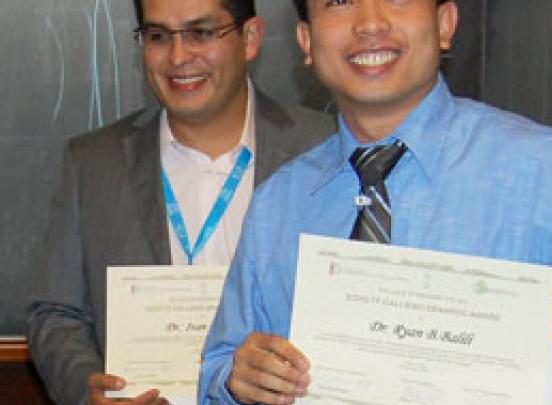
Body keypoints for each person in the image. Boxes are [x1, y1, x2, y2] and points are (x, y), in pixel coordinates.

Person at [199, 0, 552, 404]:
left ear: (445, 25)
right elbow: (220, 365)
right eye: (339, 2)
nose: (370, 23)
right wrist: (235, 378)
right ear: (307, 42)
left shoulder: (548, 174)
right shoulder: (278, 205)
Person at [26, 0, 334, 404]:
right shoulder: (93, 164)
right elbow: (55, 312)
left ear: (251, 38)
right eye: (158, 36)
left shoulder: (327, 147)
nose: (178, 57)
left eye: (201, 33)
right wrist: (86, 388)